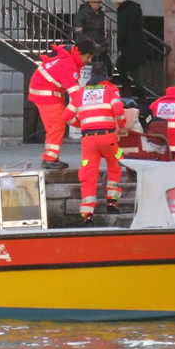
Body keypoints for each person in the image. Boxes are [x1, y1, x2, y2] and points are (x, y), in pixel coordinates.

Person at [63, 62, 125, 226]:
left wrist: (83, 124)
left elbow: (67, 116)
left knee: (89, 175)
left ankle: (88, 215)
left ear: (90, 77)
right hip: (109, 138)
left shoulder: (80, 93)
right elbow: (118, 111)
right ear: (106, 76)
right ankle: (111, 203)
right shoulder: (111, 90)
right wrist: (122, 125)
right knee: (116, 165)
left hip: (88, 141)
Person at [27, 36, 97, 170]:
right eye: (88, 57)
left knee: (57, 125)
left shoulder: (68, 57)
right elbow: (76, 95)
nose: (89, 61)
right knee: (56, 125)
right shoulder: (68, 66)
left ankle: (51, 157)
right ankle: (50, 159)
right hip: (47, 95)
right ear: (80, 52)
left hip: (47, 92)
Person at [112, 0, 148, 90]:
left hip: (129, 45)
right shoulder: (136, 9)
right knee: (132, 68)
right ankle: (134, 89)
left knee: (125, 67)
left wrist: (120, 44)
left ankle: (133, 89)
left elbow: (122, 30)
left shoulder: (123, 12)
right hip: (139, 43)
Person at [73, 0, 112, 77]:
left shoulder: (101, 14)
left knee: (107, 62)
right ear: (90, 2)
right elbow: (78, 21)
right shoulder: (83, 12)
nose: (98, 4)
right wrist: (79, 27)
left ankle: (107, 78)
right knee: (92, 61)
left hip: (100, 42)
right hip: (89, 41)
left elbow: (101, 29)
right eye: (96, 2)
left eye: (99, 2)